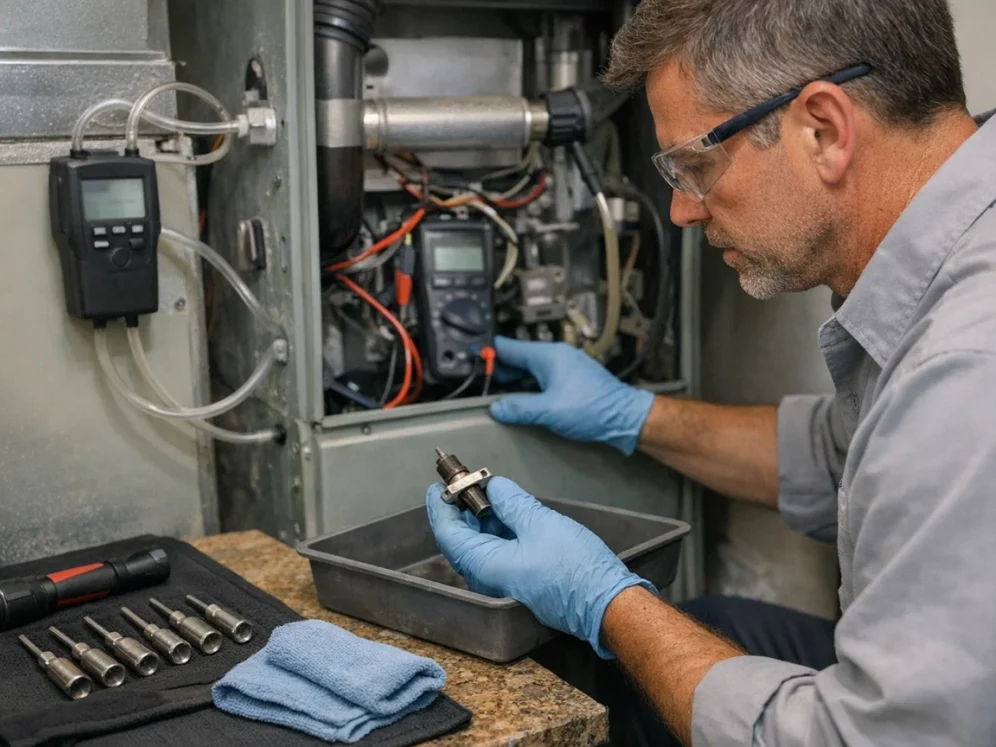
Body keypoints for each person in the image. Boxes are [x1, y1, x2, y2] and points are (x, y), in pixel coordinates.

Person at [424, 0, 996, 745]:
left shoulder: (965, 371)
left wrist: (605, 601)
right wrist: (633, 415)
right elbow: (843, 453)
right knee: (711, 625)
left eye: (694, 165)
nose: (681, 212)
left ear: (823, 130)